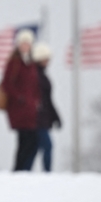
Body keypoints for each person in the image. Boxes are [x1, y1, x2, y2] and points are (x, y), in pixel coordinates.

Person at [0, 28, 40, 171]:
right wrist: (19, 97)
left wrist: (36, 101)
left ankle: (25, 169)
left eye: (28, 43)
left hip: (31, 109)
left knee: (33, 141)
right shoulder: (14, 63)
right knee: (24, 140)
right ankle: (18, 170)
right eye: (23, 43)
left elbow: (35, 85)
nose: (25, 46)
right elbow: (6, 84)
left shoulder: (32, 64)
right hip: (18, 109)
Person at [30, 42, 61, 172]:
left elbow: (48, 100)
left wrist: (55, 117)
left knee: (33, 149)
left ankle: (22, 174)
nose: (48, 62)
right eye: (45, 58)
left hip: (43, 119)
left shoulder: (43, 77)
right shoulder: (32, 76)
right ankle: (47, 173)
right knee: (46, 146)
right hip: (36, 119)